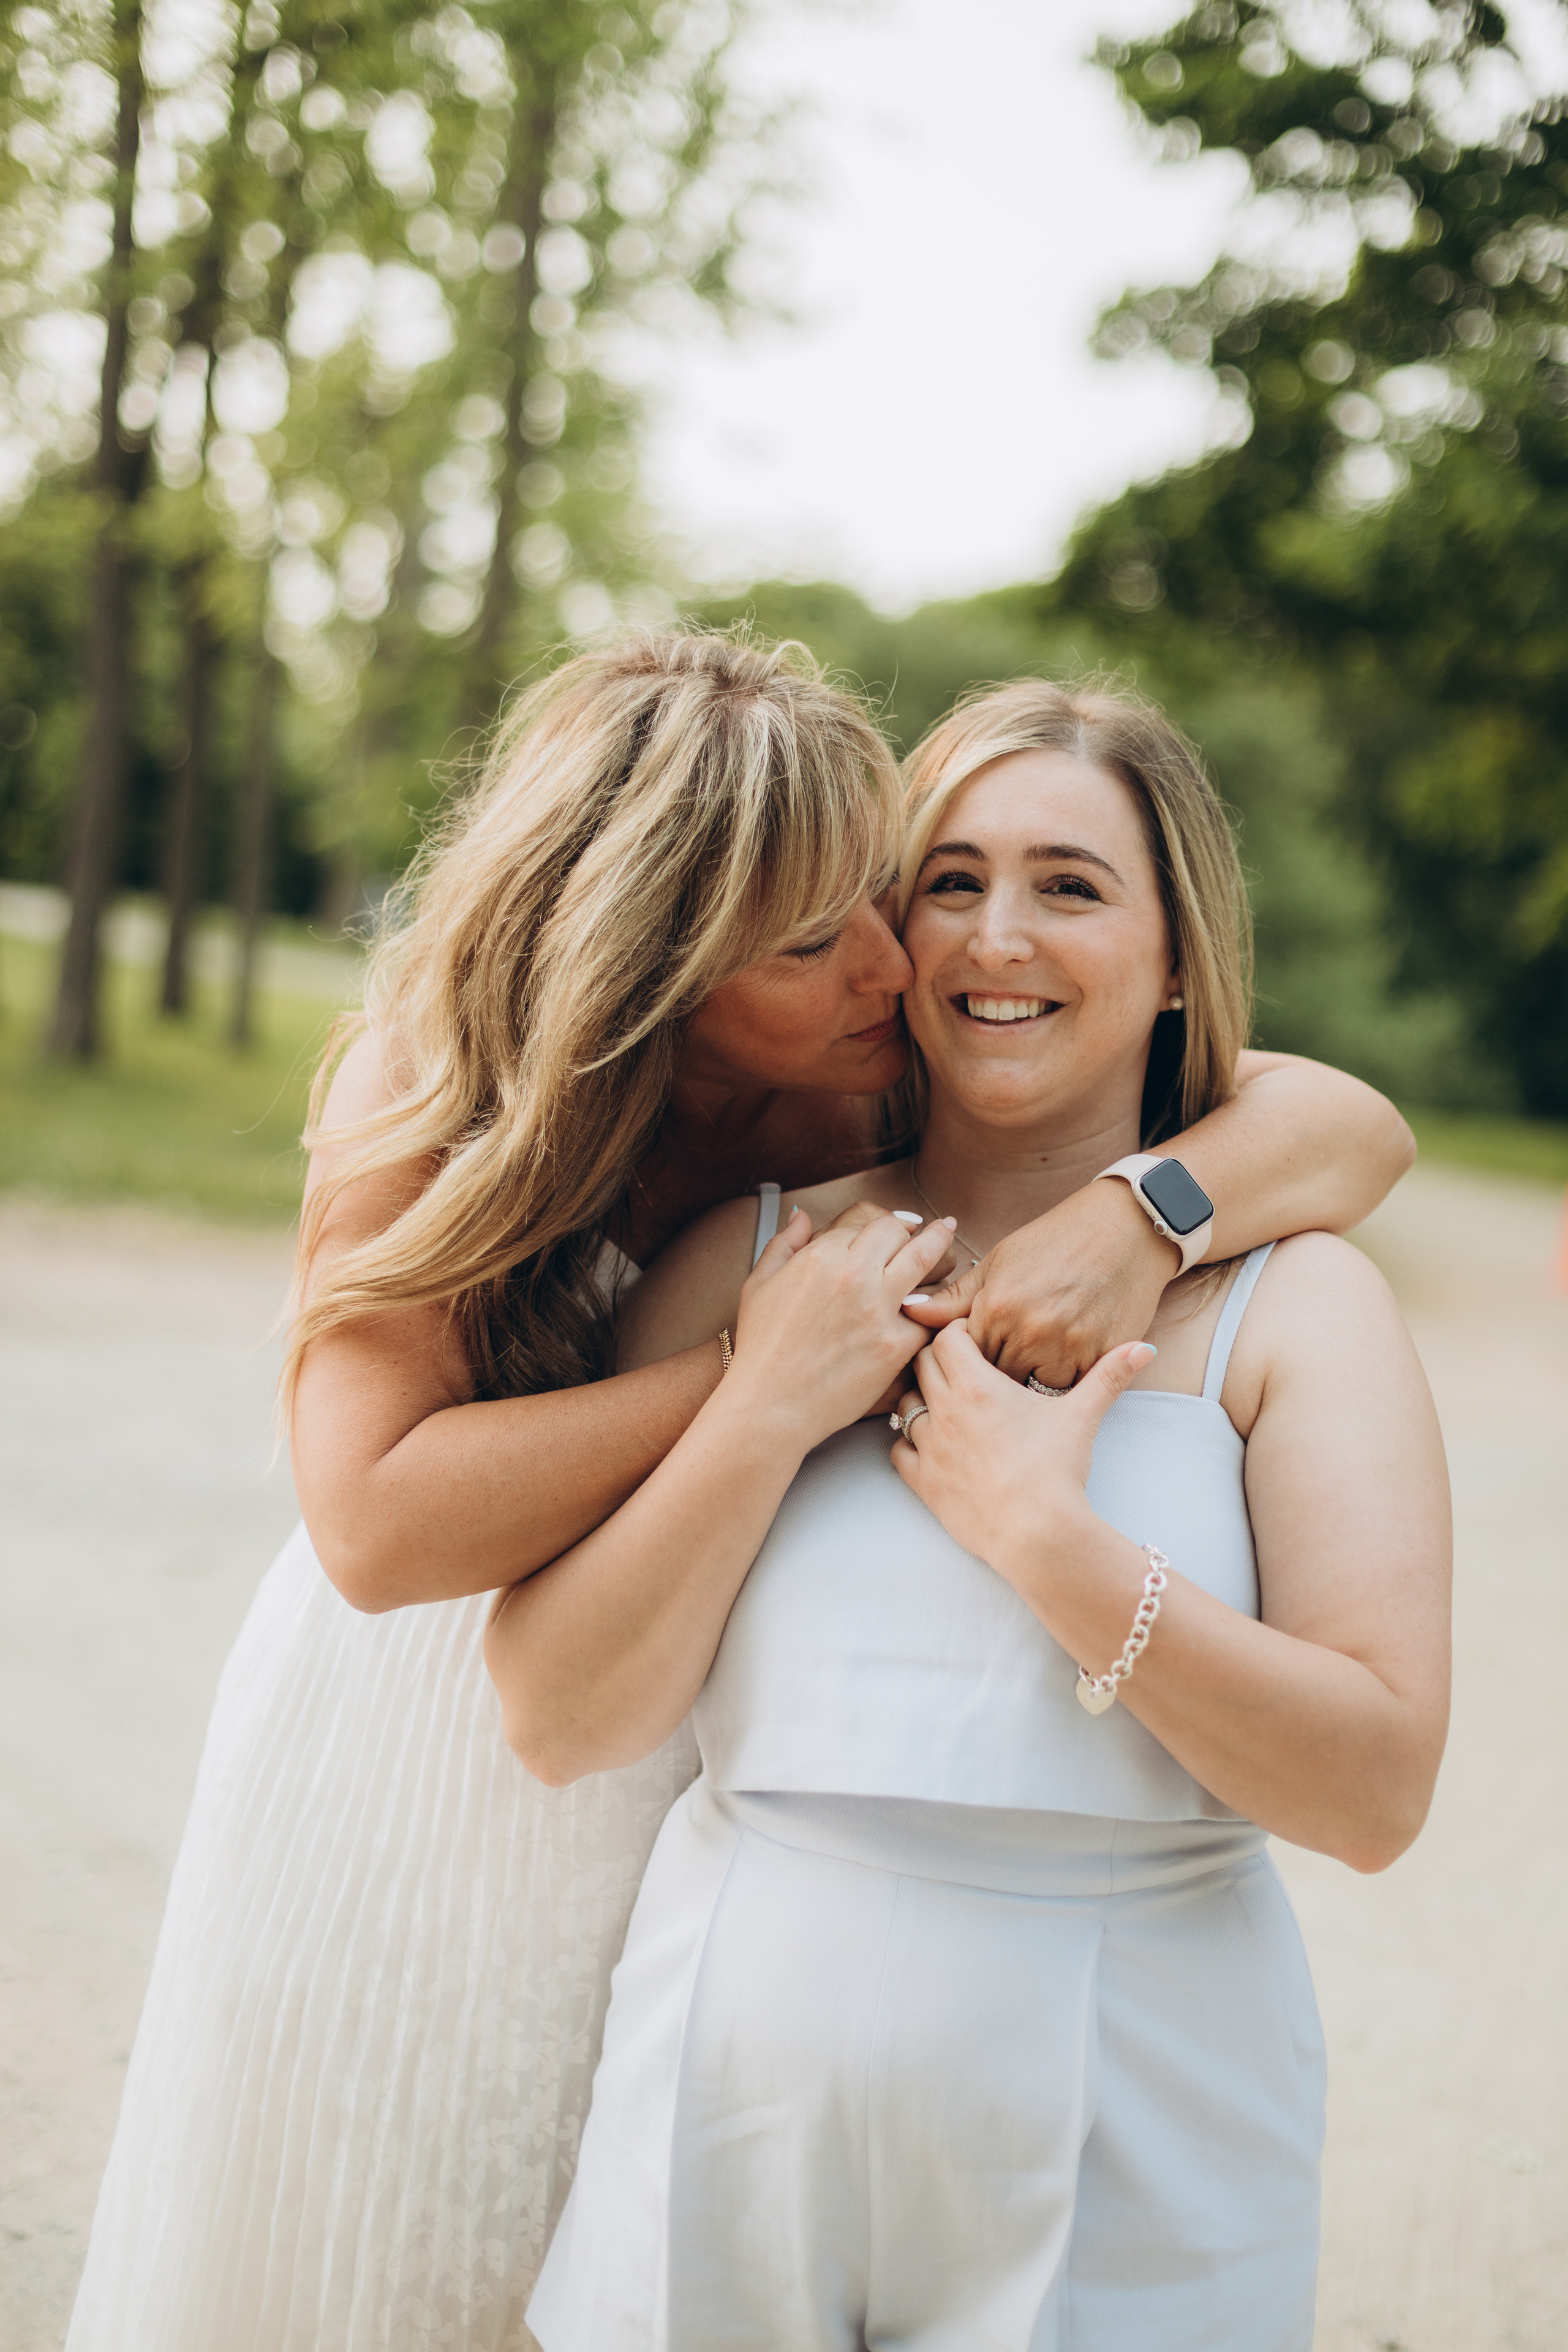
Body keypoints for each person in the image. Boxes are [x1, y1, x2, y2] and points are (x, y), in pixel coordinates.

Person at [69, 634, 1412, 2352]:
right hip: (422, 1692)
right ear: (665, 970)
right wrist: (752, 1384)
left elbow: (1348, 1124)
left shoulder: (859, 1064)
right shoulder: (438, 1084)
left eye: (873, 897)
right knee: (369, 2243)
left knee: (591, 2189)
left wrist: (1137, 1216)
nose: (889, 962)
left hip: (683, 1713)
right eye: (813, 936)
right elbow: (378, 1528)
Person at [501, 676, 1452, 2352]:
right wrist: (768, 1405)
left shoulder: (1295, 1308)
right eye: (952, 881)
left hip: (1139, 2105)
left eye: (1070, 887)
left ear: (1174, 963)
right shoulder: (748, 1254)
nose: (996, 938)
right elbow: (565, 1717)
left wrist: (1053, 1550)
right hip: (731, 2084)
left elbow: (1374, 1790)